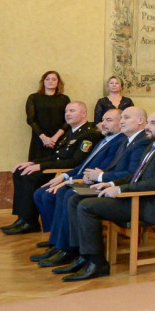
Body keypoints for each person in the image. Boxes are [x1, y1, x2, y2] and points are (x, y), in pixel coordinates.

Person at [63, 111, 155, 281]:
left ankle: (97, 263)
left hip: (152, 203)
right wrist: (111, 183)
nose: (147, 127)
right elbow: (135, 175)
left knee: (87, 206)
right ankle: (82, 255)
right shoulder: (153, 145)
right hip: (138, 197)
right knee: (75, 199)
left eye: (152, 123)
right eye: (148, 122)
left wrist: (121, 190)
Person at [30, 108, 128, 268]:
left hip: (96, 184)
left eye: (109, 120)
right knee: (44, 192)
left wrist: (69, 182)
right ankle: (57, 242)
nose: (103, 124)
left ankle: (67, 247)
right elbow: (83, 166)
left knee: (64, 194)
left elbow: (101, 171)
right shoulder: (104, 140)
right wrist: (65, 176)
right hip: (87, 179)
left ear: (120, 122)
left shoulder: (120, 142)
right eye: (103, 120)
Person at [2, 100, 100, 235]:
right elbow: (56, 156)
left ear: (84, 114)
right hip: (57, 168)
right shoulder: (71, 132)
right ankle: (23, 218)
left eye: (72, 111)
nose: (67, 114)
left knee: (29, 177)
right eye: (66, 111)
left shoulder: (89, 134)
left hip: (67, 172)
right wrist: (33, 163)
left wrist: (41, 166)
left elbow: (75, 162)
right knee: (21, 172)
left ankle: (30, 222)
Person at [25, 70, 71, 162]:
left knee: (57, 165)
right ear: (43, 81)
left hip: (59, 138)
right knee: (36, 167)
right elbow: (31, 120)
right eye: (47, 79)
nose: (50, 81)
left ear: (58, 82)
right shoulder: (33, 98)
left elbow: (68, 120)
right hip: (39, 138)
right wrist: (44, 138)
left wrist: (55, 138)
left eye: (54, 79)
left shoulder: (64, 99)